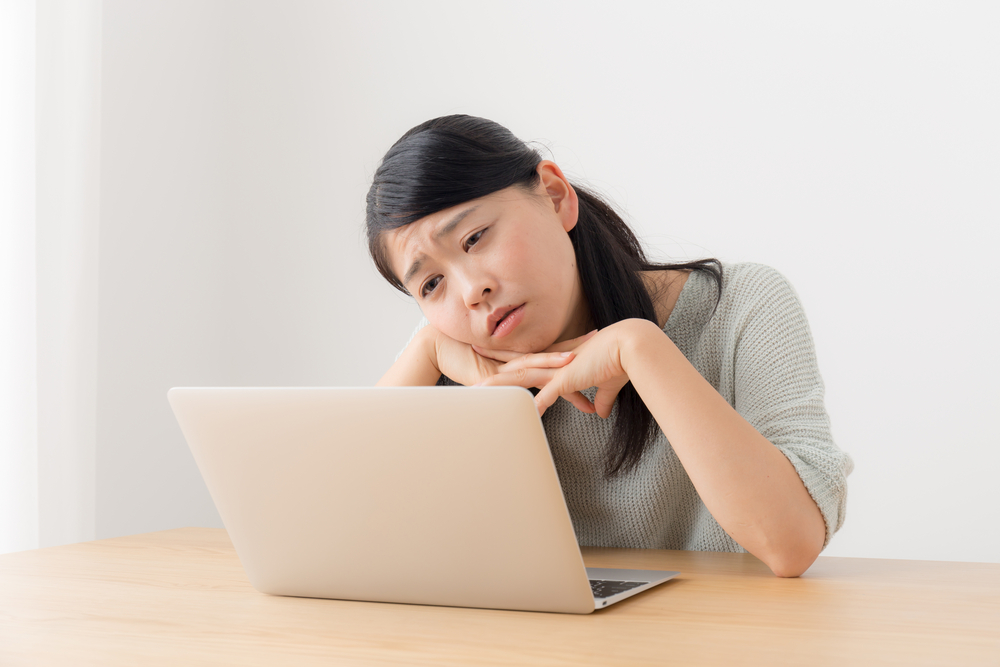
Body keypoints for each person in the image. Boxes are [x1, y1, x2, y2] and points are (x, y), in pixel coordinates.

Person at [366, 114, 853, 578]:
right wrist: (424, 352)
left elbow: (790, 544)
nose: (473, 291)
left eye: (474, 238)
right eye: (431, 284)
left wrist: (641, 349)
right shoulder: (453, 360)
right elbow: (351, 547)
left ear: (555, 196)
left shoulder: (740, 306)